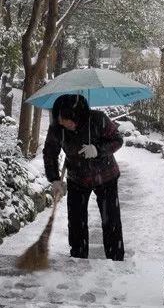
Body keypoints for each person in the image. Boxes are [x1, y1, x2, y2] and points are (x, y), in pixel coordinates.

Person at [43, 94, 125, 261]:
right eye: (59, 120)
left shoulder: (98, 119)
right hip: (77, 178)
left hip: (106, 176)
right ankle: (78, 258)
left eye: (66, 119)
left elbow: (117, 139)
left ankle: (116, 259)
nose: (62, 123)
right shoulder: (57, 128)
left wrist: (97, 149)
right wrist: (54, 179)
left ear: (76, 116)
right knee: (76, 221)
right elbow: (50, 152)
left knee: (110, 220)